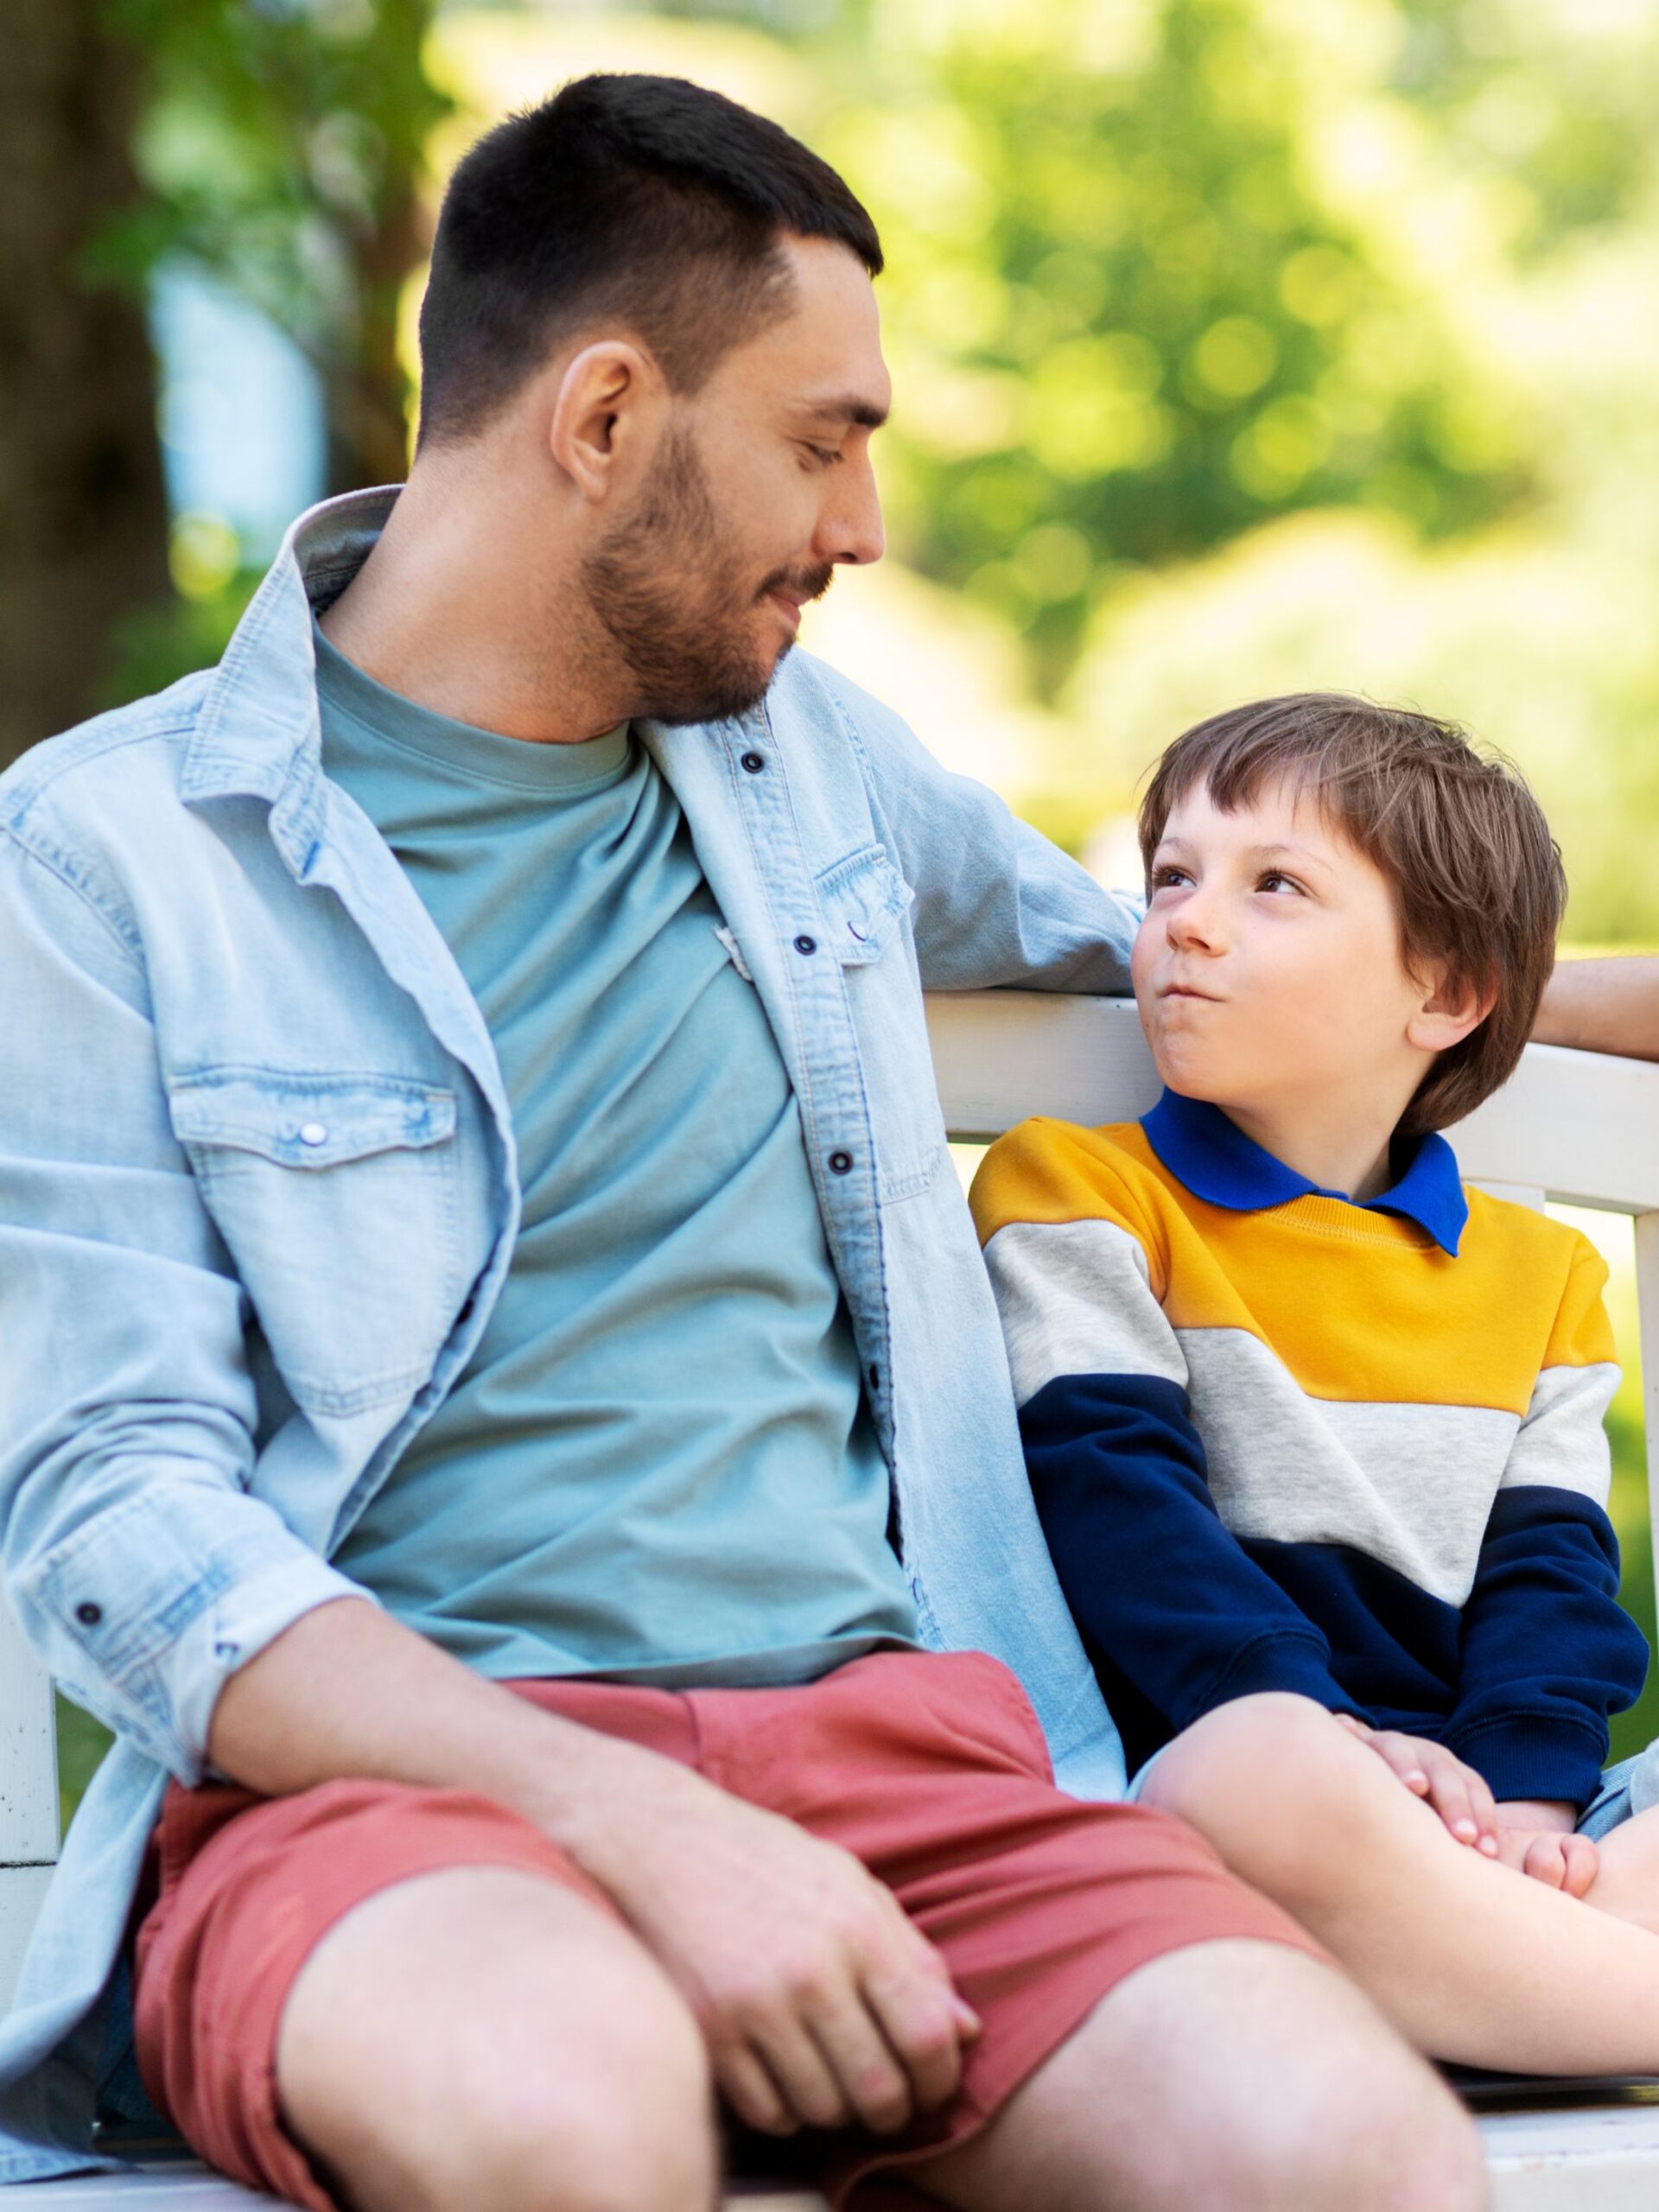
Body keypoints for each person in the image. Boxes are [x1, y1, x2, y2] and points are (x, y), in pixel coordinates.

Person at [0, 77, 1489, 2212]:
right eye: (823, 440)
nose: (864, 526)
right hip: (402, 1810)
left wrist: (1539, 983)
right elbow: (111, 1518)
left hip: (907, 1766)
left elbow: (1168, 962)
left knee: (1354, 2160)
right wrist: (638, 1819)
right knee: (569, 2125)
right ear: (604, 419)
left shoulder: (806, 763)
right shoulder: (109, 857)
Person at [970, 692, 1659, 2081]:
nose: (1186, 921)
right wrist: (1329, 1731)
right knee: (1264, 1771)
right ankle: (1542, 1997)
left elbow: (1552, 1581)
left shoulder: (1544, 1279)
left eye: (1273, 884)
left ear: (1448, 995)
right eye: (1173, 875)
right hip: (1220, 1778)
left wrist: (1527, 1797)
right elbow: (1116, 1508)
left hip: (1485, 1819)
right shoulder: (1080, 1190)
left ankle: (1490, 1988)